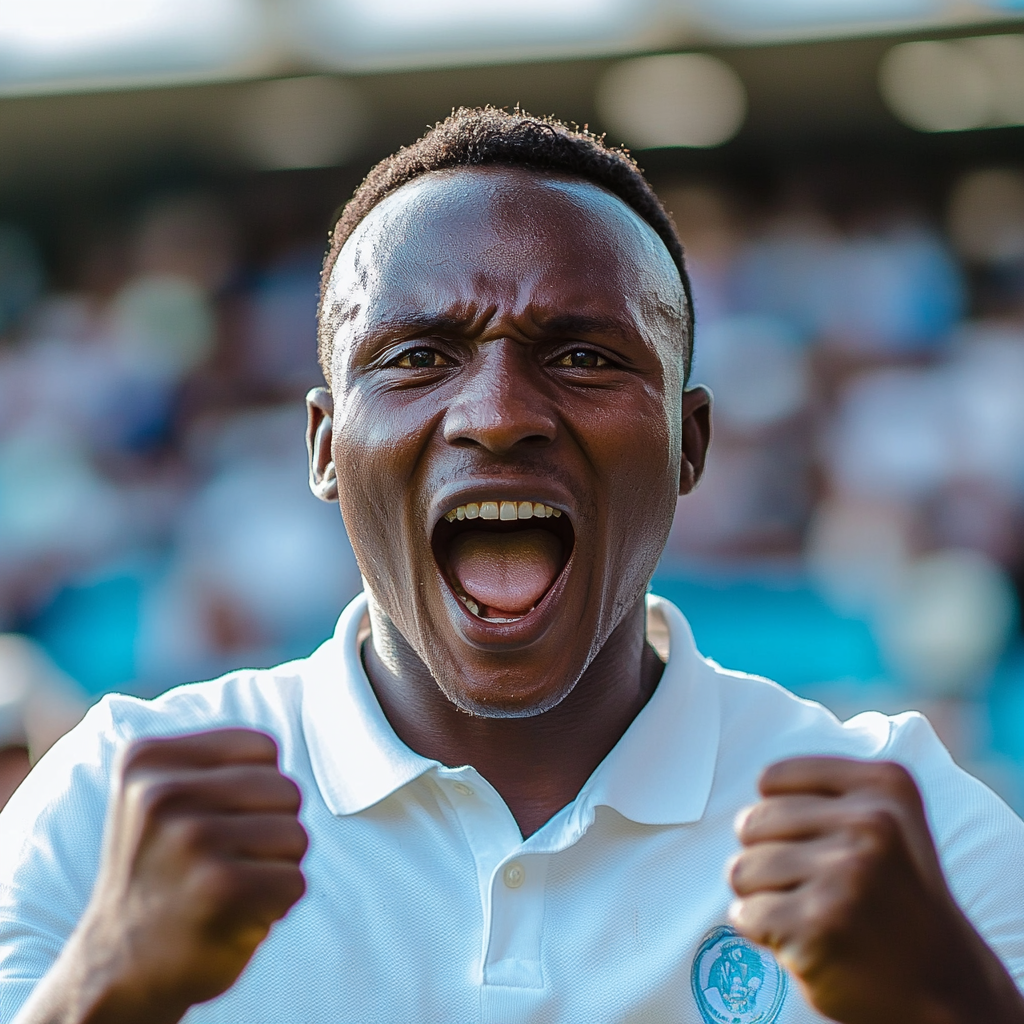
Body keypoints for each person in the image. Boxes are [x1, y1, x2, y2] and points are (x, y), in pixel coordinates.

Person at [2, 107, 1023, 1024]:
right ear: (321, 445)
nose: (497, 415)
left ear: (688, 444)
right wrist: (103, 994)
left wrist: (948, 1004)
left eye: (582, 355)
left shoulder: (901, 821)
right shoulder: (112, 802)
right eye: (417, 357)